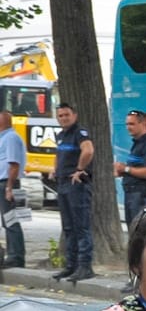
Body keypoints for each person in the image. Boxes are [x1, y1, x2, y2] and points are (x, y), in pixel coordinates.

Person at [51, 102, 95, 282]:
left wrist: (79, 169)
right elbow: (58, 155)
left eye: (66, 115)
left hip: (75, 185)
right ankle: (71, 265)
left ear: (74, 115)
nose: (63, 118)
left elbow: (88, 150)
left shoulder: (80, 132)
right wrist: (54, 169)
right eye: (60, 116)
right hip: (62, 184)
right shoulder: (61, 135)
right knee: (68, 227)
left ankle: (85, 266)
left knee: (81, 226)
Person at [114, 109, 146, 230]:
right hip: (131, 194)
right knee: (132, 229)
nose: (128, 127)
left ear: (143, 124)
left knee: (139, 230)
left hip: (142, 195)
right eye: (127, 124)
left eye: (132, 124)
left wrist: (126, 169)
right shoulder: (137, 144)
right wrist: (122, 171)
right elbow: (136, 169)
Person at [0, 110, 24, 269]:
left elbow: (14, 164)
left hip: (7, 183)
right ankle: (12, 254)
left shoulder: (11, 138)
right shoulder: (4, 138)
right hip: (4, 182)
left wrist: (9, 187)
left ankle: (16, 257)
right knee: (6, 221)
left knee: (11, 221)